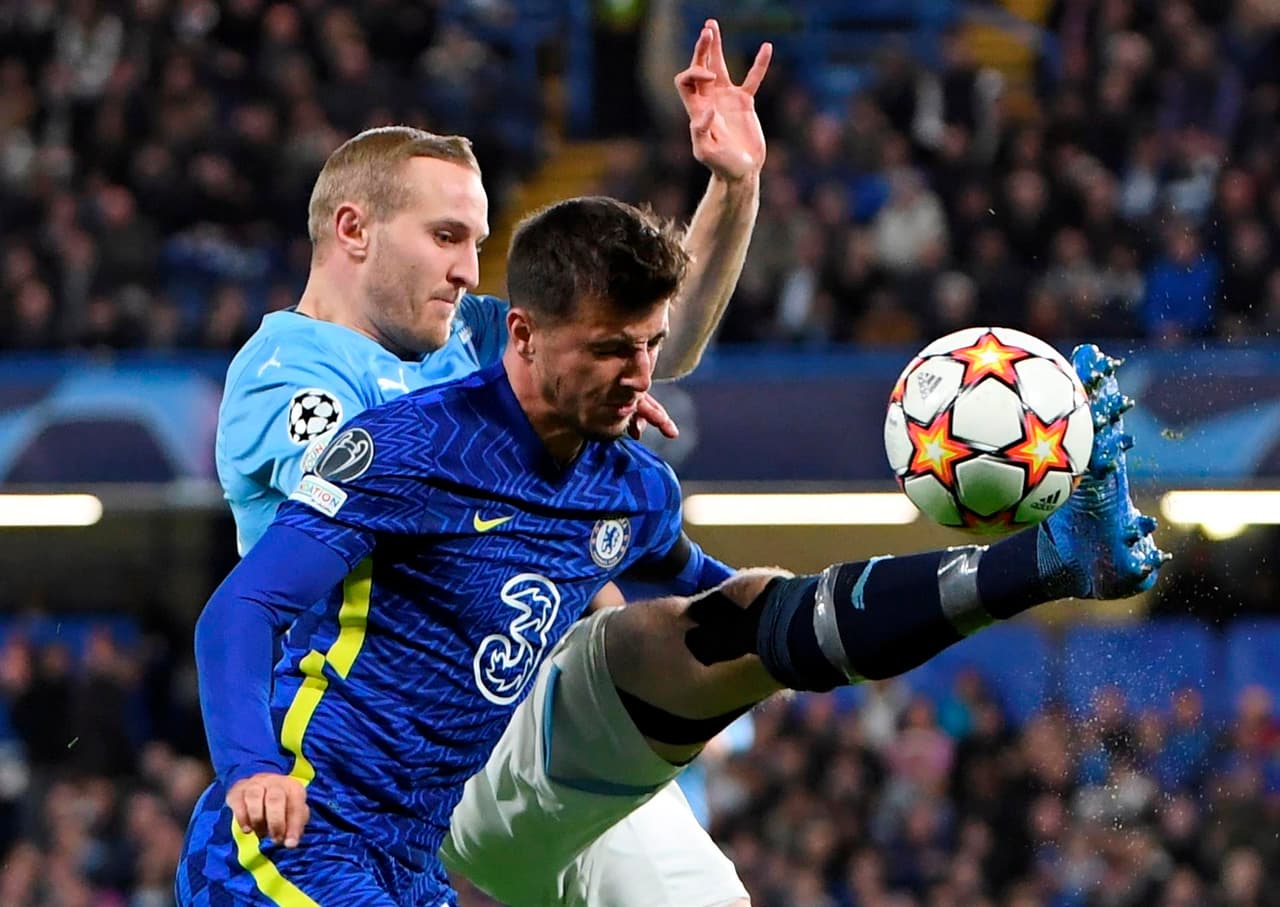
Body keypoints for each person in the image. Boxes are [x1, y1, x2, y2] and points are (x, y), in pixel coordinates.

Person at [180, 195, 1166, 907]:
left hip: (414, 857)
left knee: (731, 620)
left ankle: (1047, 560)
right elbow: (242, 607)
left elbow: (742, 626)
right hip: (301, 834)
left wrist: (734, 183)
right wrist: (250, 769)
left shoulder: (628, 486)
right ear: (520, 335)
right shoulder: (402, 445)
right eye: (611, 347)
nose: (639, 374)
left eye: (647, 346)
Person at [207, 19, 772, 906]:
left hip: (521, 699)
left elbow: (669, 332)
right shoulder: (286, 376)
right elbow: (405, 490)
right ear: (353, 229)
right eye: (446, 237)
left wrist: (733, 187)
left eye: (476, 240)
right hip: (391, 742)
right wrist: (569, 431)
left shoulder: (473, 336)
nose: (472, 268)